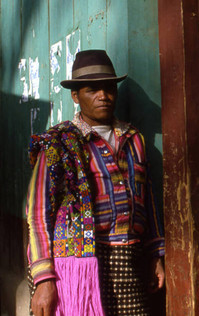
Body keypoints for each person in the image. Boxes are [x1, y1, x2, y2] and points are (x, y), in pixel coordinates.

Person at [26, 50, 165, 316]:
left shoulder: (134, 139)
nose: (104, 96)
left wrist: (154, 256)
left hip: (130, 261)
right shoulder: (57, 144)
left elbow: (148, 201)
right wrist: (43, 278)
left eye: (109, 88)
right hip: (79, 267)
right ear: (75, 96)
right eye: (93, 90)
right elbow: (37, 214)